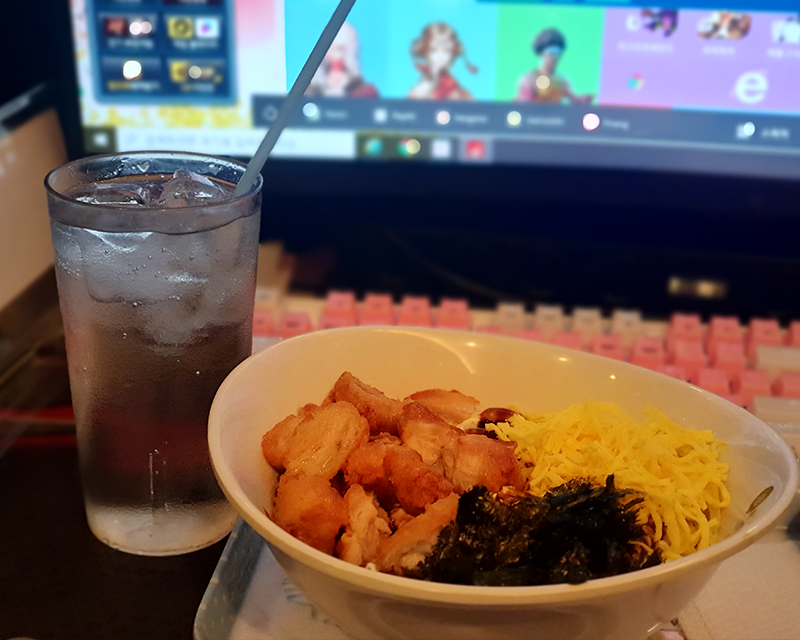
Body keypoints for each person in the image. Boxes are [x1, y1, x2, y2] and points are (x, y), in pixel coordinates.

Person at [516, 28, 593, 105]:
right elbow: (523, 102)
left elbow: (575, 100)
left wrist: (584, 100)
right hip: (534, 116)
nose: (555, 57)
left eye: (558, 53)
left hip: (556, 116)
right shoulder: (530, 78)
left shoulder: (561, 81)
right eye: (551, 52)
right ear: (541, 53)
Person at [306, 22, 379, 98]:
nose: (337, 54)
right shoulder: (309, 93)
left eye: (341, 49)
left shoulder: (367, 93)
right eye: (331, 47)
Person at [408, 22, 477, 100]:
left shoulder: (464, 96)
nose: (441, 56)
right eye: (434, 50)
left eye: (447, 50)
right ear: (424, 52)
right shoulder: (416, 93)